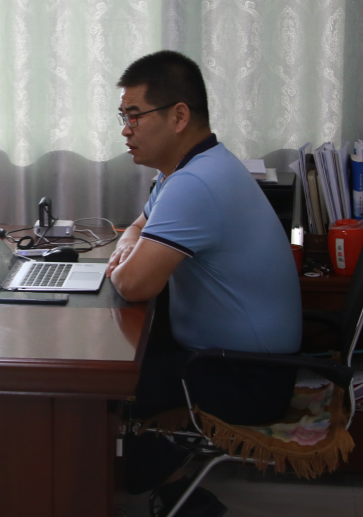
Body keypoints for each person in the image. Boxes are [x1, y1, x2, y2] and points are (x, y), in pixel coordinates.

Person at [105, 51, 301, 517]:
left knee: (104, 387)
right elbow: (136, 226)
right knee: (120, 355)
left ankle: (153, 490)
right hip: (228, 357)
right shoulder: (186, 170)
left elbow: (134, 284)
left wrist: (123, 260)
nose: (125, 130)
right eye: (122, 116)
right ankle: (174, 492)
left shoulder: (197, 184)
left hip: (248, 376)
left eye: (135, 115)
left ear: (178, 116)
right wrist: (128, 246)